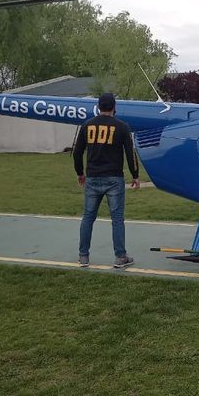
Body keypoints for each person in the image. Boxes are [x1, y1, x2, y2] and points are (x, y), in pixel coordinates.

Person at [73, 93, 140, 268]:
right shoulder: (122, 127)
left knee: (88, 218)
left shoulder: (87, 125)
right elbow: (130, 153)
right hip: (114, 179)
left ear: (98, 106)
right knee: (117, 219)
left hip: (93, 178)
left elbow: (77, 152)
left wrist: (80, 173)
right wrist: (135, 174)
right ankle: (120, 257)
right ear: (114, 106)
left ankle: (83, 256)